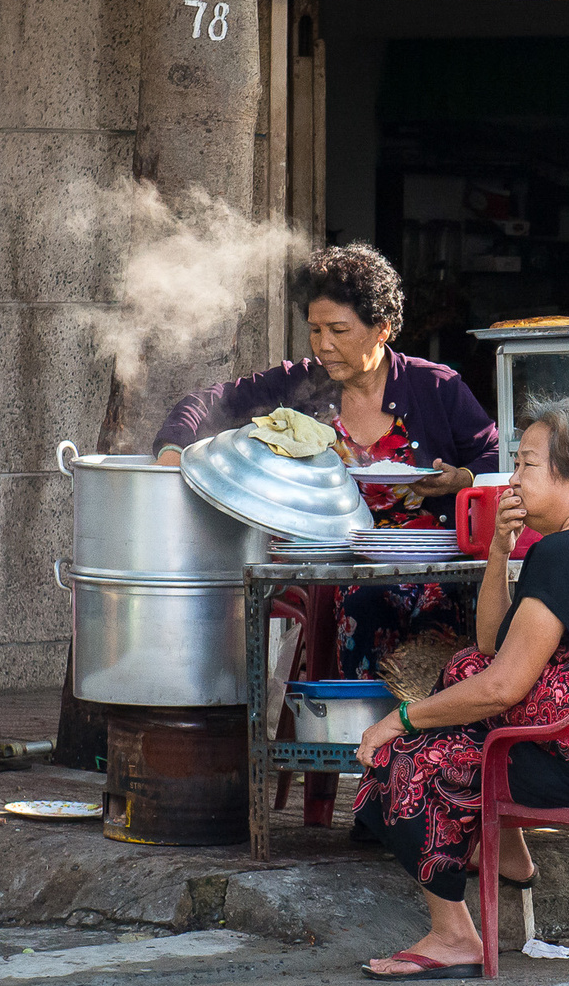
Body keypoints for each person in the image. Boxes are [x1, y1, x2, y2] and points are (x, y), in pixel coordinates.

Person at [350, 400, 569, 979]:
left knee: (403, 760)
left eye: (526, 465)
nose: (512, 479)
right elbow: (495, 647)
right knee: (465, 667)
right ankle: (511, 856)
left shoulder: (565, 554)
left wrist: (400, 718)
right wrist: (499, 549)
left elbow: (502, 688)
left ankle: (454, 937)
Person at [154, 244, 497, 677]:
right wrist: (171, 450)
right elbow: (208, 402)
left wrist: (461, 477)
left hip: (431, 566)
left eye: (338, 330)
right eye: (315, 331)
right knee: (361, 601)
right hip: (335, 566)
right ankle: (355, 733)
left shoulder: (435, 387)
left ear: (382, 329)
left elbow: (497, 455)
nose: (323, 345)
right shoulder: (302, 383)